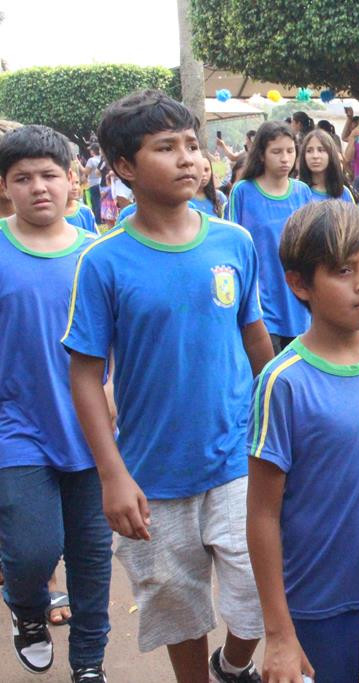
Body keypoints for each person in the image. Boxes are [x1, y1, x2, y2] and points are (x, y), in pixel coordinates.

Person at [63, 90, 274, 683]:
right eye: (166, 148)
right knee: (176, 605)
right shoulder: (104, 261)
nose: (189, 159)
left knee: (262, 586)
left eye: (192, 144)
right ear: (125, 168)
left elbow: (257, 340)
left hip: (236, 455)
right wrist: (112, 475)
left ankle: (234, 664)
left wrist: (285, 416)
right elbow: (85, 371)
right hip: (152, 474)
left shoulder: (233, 241)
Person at [247, 201, 359, 683]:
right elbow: (262, 512)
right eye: (344, 270)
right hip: (316, 608)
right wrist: (279, 632)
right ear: (300, 283)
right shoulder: (283, 382)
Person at [0, 125, 111, 683]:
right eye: (23, 178)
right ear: (5, 187)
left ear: (72, 180)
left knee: (93, 560)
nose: (38, 187)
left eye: (49, 175)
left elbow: (124, 341)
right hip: (16, 428)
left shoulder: (98, 254)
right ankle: (27, 609)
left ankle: (89, 663)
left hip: (93, 431)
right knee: (31, 549)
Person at [228, 120, 314, 353]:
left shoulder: (302, 191)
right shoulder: (243, 191)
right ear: (262, 155)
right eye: (276, 152)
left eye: (290, 151)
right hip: (261, 304)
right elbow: (231, 246)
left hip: (298, 304)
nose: (285, 158)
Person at [298, 128, 355, 204]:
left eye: (321, 150)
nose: (315, 156)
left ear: (331, 154)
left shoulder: (344, 193)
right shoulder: (297, 191)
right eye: (309, 151)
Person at [65, 162, 99, 233]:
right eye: (70, 184)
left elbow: (95, 237)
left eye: (77, 183)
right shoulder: (52, 215)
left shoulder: (85, 211)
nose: (75, 188)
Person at [192, 151, 228, 218]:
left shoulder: (220, 197)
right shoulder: (183, 199)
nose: (203, 174)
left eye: (206, 170)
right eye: (199, 169)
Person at [84, 143, 103, 222]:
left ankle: (97, 220)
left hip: (93, 183)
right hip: (101, 183)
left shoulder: (91, 160)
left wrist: (78, 164)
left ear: (93, 151)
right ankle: (102, 218)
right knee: (101, 201)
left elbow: (86, 172)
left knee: (95, 201)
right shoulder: (102, 159)